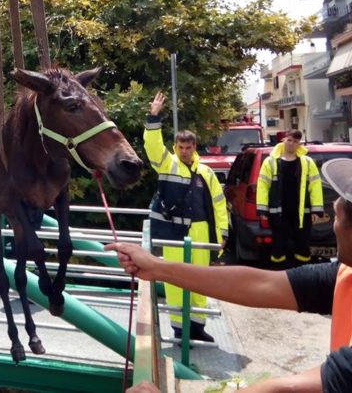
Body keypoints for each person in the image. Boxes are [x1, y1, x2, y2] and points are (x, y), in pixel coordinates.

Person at [105, 157, 352, 392]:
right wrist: (157, 267)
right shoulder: (344, 275)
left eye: (338, 217)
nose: (333, 224)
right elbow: (262, 284)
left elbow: (289, 389)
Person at [144, 91, 228, 342]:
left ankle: (198, 327)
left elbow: (219, 204)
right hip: (174, 234)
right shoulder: (166, 163)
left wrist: (222, 232)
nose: (184, 151)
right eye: (181, 147)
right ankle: (180, 330)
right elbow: (152, 146)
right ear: (175, 147)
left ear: (194, 147)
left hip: (201, 231)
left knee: (200, 280)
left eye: (188, 147)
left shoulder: (205, 172)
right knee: (175, 281)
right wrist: (153, 116)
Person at [257, 129, 324, 268]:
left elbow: (315, 186)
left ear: (299, 143)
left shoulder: (307, 162)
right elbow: (263, 186)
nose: (292, 143)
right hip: (278, 214)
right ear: (283, 140)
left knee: (303, 247)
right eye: (289, 140)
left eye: (295, 141)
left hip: (302, 214)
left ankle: (302, 278)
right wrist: (262, 210)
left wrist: (316, 211)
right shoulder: (271, 162)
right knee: (278, 248)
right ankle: (279, 276)